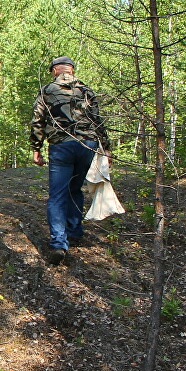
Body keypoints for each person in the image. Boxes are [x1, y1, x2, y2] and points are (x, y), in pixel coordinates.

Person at [29, 56, 111, 265]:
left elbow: (38, 120)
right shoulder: (86, 90)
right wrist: (106, 148)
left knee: (57, 195)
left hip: (62, 145)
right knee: (75, 188)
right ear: (72, 70)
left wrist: (36, 148)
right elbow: (97, 120)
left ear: (55, 70)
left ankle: (59, 243)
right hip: (87, 145)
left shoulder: (48, 90)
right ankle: (74, 231)